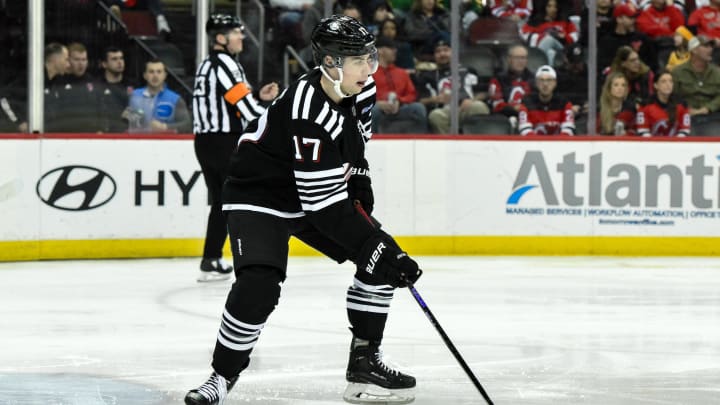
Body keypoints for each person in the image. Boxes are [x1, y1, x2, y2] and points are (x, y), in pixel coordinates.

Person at [184, 15, 422, 405]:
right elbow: (322, 208)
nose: (369, 68)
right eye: (359, 60)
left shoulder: (360, 85)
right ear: (330, 63)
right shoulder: (306, 109)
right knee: (259, 284)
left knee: (379, 261)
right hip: (259, 195)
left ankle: (364, 367)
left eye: (370, 57)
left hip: (309, 189)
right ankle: (220, 377)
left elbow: (355, 138)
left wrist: (360, 176)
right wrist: (373, 243)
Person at [192, 14, 280, 282]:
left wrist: (257, 98)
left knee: (223, 201)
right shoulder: (226, 64)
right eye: (235, 32)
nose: (241, 36)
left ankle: (211, 258)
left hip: (207, 141)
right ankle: (252, 256)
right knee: (239, 199)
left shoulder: (209, 64)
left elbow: (234, 100)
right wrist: (275, 114)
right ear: (220, 38)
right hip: (223, 141)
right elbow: (245, 108)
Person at [415, 35, 489, 133]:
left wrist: (472, 100)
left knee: (478, 106)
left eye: (446, 50)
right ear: (434, 56)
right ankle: (448, 146)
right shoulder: (428, 76)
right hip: (446, 111)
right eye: (438, 51)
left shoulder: (469, 71)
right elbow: (420, 101)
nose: (442, 54)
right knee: (435, 115)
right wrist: (435, 99)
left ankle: (476, 144)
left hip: (468, 108)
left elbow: (484, 93)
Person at [372, 37, 427, 133]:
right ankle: (369, 142)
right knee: (372, 110)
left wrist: (400, 101)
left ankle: (420, 142)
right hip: (379, 108)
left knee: (418, 108)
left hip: (400, 108)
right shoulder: (368, 73)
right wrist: (378, 103)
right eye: (391, 48)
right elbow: (361, 96)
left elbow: (412, 94)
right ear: (380, 51)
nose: (395, 51)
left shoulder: (402, 73)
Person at [127, 59, 191, 133]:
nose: (155, 75)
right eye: (151, 72)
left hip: (166, 143)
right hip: (138, 142)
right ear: (145, 75)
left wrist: (165, 127)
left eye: (159, 72)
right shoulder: (134, 96)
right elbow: (124, 122)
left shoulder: (175, 99)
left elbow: (187, 125)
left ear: (165, 75)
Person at [671, 35, 720, 124]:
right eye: (706, 46)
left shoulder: (717, 73)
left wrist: (707, 108)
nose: (710, 49)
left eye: (711, 46)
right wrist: (684, 109)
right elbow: (673, 96)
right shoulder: (678, 72)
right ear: (694, 50)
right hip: (686, 117)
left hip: (714, 116)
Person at [518, 65, 576, 136]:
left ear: (555, 83)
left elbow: (568, 130)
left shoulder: (565, 103)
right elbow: (525, 130)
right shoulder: (526, 103)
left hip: (558, 146)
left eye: (549, 80)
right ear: (536, 83)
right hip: (534, 146)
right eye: (541, 80)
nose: (545, 84)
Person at [520, 0, 579, 65]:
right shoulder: (536, 21)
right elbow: (525, 35)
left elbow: (575, 37)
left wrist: (563, 37)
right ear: (544, 7)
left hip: (562, 48)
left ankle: (536, 64)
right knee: (550, 53)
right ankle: (548, 71)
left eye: (555, 7)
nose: (552, 9)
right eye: (549, 6)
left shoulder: (565, 21)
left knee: (549, 39)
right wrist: (543, 36)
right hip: (543, 47)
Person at [637, 70, 690, 137]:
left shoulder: (682, 104)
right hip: (651, 145)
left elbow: (684, 130)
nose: (668, 84)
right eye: (663, 81)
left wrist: (675, 144)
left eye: (670, 81)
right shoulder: (645, 105)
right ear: (656, 85)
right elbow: (643, 130)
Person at [488, 44, 534, 119]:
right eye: (517, 58)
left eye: (523, 58)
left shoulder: (534, 79)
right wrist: (513, 108)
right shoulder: (498, 79)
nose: (520, 61)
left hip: (529, 116)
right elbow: (496, 104)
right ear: (509, 59)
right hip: (505, 117)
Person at [97, 46, 134, 133]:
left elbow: (140, 110)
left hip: (128, 134)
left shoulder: (133, 84)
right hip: (104, 134)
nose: (119, 62)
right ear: (104, 64)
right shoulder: (97, 86)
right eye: (114, 59)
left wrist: (130, 114)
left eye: (121, 58)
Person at [598, 71, 637, 135]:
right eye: (616, 85)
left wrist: (625, 134)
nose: (620, 88)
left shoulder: (630, 109)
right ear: (609, 88)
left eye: (623, 85)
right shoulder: (599, 108)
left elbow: (634, 132)